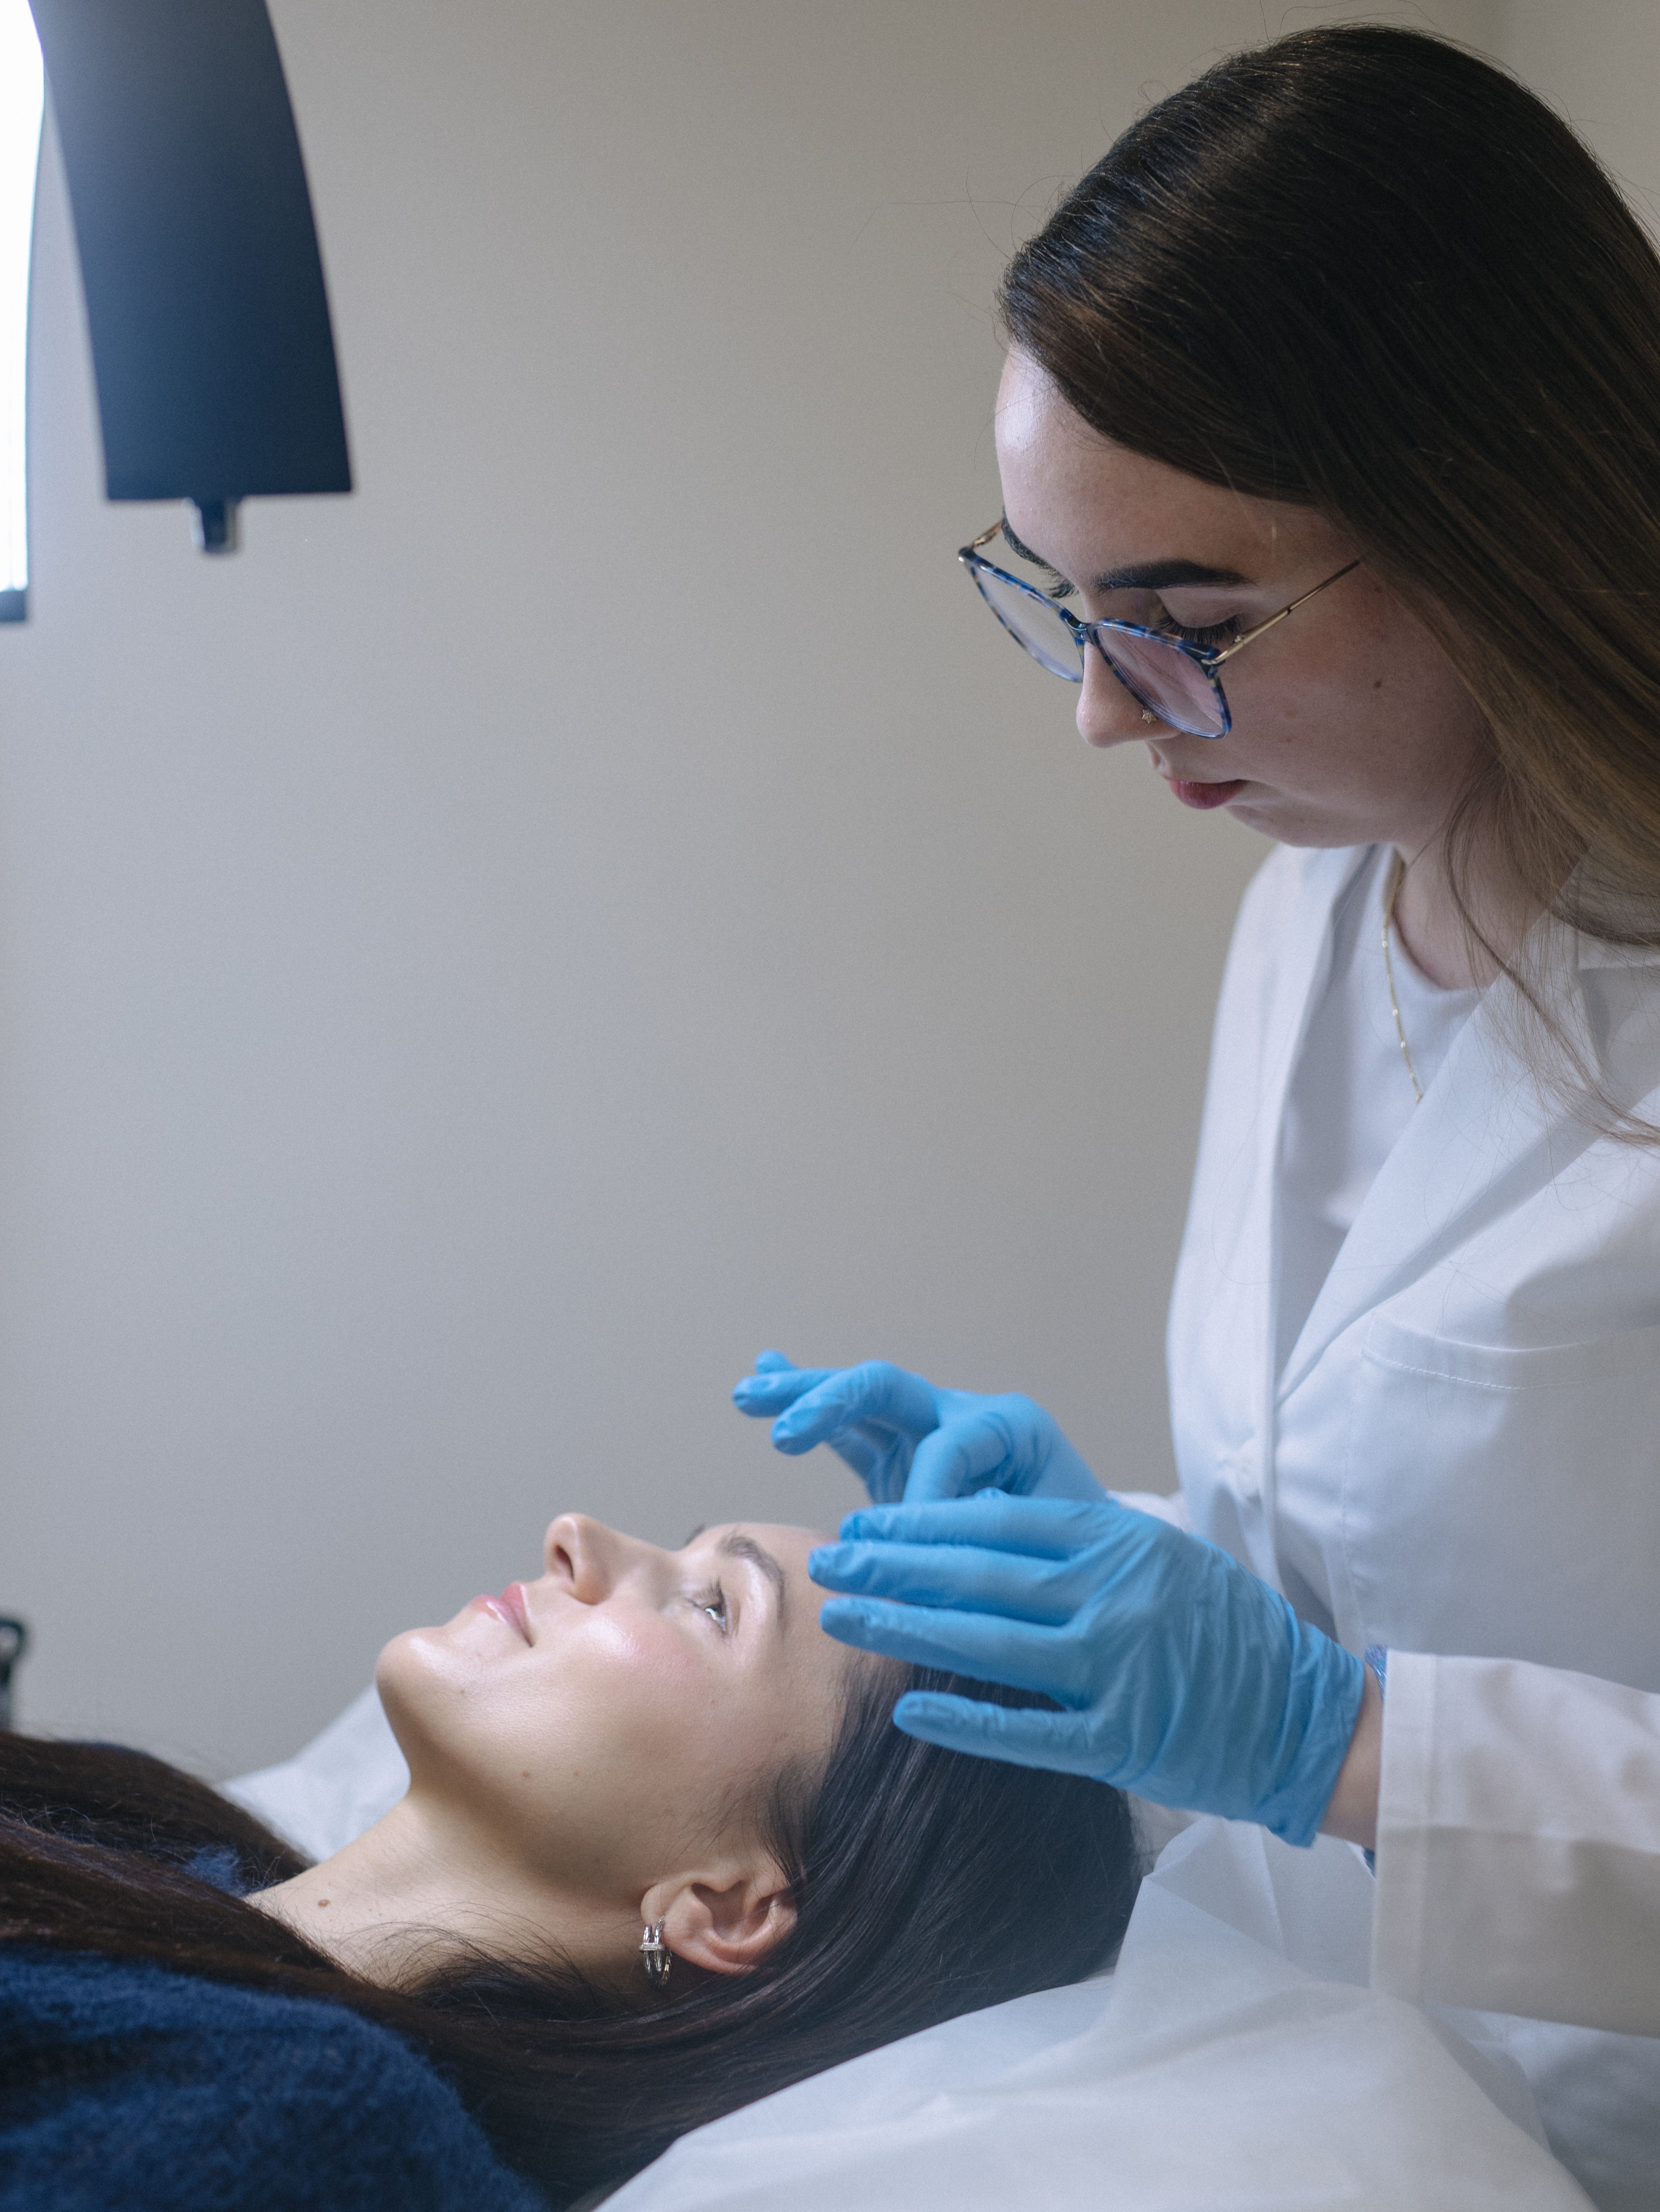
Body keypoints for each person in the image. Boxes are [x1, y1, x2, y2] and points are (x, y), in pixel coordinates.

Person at [735, 22, 1660, 2206]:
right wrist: (1122, 1566)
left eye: (1181, 623)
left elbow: (1371, 1689)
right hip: (1341, 2087)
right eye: (1062, 607)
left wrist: (1318, 1734)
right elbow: (1384, 1551)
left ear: (1489, 515)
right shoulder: (1327, 897)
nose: (1096, 711)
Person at [0, 1512, 1139, 2209]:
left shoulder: (309, 2129)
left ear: (729, 1905)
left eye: (709, 1606)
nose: (576, 1535)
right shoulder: (129, 1829)